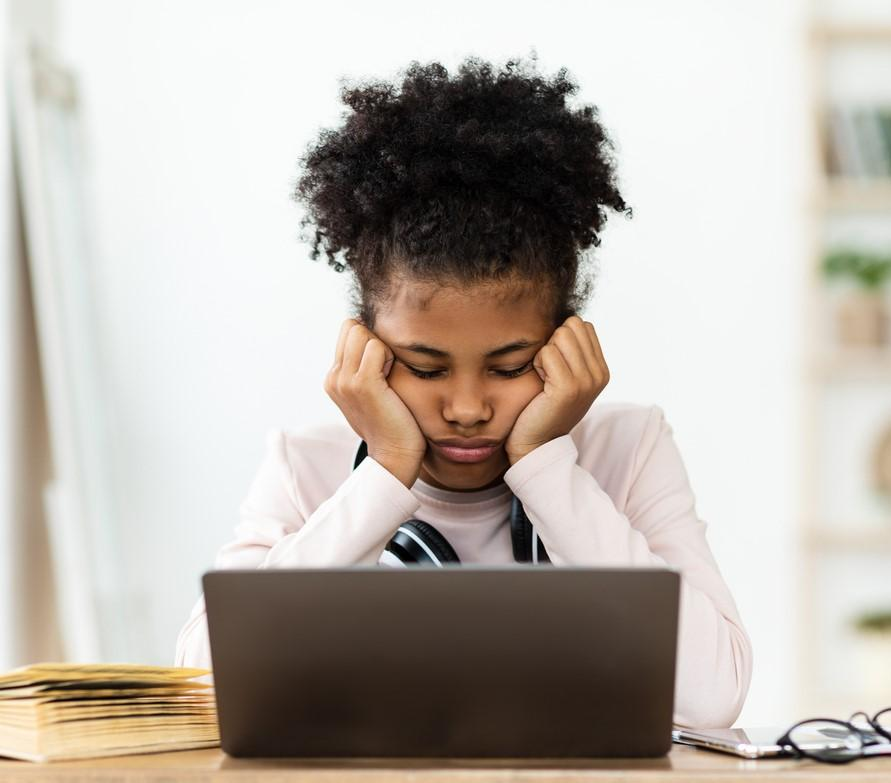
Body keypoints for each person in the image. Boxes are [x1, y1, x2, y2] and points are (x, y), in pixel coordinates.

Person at [174, 53, 752, 729]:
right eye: (424, 367)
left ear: (566, 345)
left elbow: (712, 697)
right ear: (365, 349)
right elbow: (202, 688)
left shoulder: (627, 447)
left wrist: (544, 464)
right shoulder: (305, 467)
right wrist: (384, 475)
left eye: (510, 367)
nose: (468, 408)